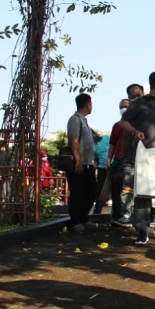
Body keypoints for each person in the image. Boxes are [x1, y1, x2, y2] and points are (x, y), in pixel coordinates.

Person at [119, 71, 155, 243]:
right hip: (144, 150)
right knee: (143, 193)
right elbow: (124, 122)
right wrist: (135, 131)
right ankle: (142, 230)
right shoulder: (139, 103)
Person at [67, 93, 97, 233]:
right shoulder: (75, 120)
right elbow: (74, 140)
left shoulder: (85, 121)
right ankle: (75, 221)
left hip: (89, 163)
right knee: (77, 193)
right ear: (87, 104)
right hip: (80, 163)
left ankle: (84, 218)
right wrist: (78, 161)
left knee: (91, 192)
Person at [116, 84, 144, 225]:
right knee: (128, 186)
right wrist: (123, 155)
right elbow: (125, 136)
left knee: (146, 186)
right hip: (131, 156)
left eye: (138, 95)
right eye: (133, 96)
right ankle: (126, 214)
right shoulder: (128, 115)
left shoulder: (150, 111)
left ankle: (146, 216)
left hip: (147, 157)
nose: (136, 98)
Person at [108, 98, 130, 225]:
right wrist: (108, 160)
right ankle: (116, 215)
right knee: (116, 189)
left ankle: (129, 215)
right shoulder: (117, 126)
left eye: (126, 106)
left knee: (130, 190)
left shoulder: (137, 124)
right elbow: (112, 144)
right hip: (119, 161)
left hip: (132, 161)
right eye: (122, 106)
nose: (124, 108)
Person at [93, 132, 110, 214]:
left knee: (115, 189)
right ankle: (98, 209)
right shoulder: (94, 145)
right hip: (103, 168)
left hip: (111, 166)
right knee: (101, 190)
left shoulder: (107, 137)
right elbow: (96, 159)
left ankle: (98, 210)